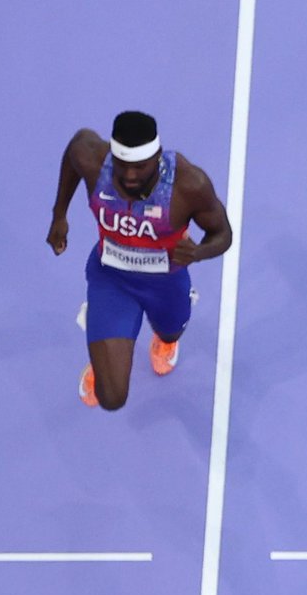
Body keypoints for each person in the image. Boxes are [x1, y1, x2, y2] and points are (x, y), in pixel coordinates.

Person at [47, 111, 232, 410]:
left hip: (166, 282)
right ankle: (103, 360)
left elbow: (222, 234)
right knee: (111, 397)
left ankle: (165, 339)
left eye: (140, 167)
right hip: (111, 278)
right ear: (112, 157)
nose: (130, 176)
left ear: (157, 156)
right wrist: (59, 215)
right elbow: (73, 150)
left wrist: (199, 252)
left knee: (171, 331)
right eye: (122, 166)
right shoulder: (93, 159)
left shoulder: (189, 184)